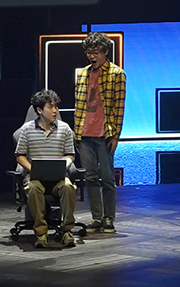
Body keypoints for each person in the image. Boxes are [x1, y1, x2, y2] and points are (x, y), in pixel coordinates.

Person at [71, 32, 126, 233]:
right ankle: (96, 218)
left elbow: (119, 107)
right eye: (89, 52)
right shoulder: (82, 74)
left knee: (108, 178)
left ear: (105, 52)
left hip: (105, 134)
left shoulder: (116, 74)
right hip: (84, 134)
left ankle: (108, 218)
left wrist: (116, 135)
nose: (92, 56)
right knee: (90, 178)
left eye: (96, 53)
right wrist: (76, 135)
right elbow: (79, 106)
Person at [14, 89, 79, 248]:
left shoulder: (64, 128)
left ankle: (66, 230)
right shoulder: (27, 129)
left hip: (58, 177)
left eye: (56, 106)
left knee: (68, 187)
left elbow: (70, 154)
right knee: (33, 188)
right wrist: (32, 169)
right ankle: (41, 233)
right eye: (50, 107)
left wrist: (64, 164)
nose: (55, 110)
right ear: (39, 110)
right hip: (35, 177)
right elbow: (20, 156)